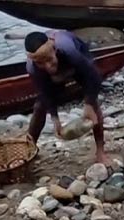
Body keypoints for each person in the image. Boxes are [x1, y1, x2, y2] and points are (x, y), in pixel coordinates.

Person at [24, 30, 107, 165]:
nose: (47, 66)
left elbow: (93, 76)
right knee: (39, 106)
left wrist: (88, 104)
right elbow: (45, 93)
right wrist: (55, 118)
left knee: (93, 104)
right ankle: (29, 149)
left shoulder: (68, 49)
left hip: (77, 63)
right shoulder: (32, 67)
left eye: (49, 60)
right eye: (41, 63)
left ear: (55, 50)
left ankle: (100, 151)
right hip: (56, 73)